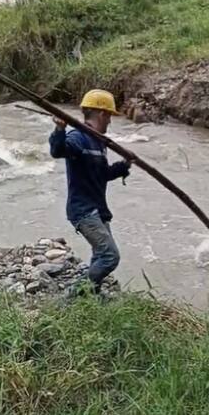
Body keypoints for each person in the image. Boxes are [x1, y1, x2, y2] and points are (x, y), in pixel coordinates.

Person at [49, 89, 131, 294]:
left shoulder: (99, 142)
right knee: (110, 256)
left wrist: (124, 165)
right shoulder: (78, 137)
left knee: (99, 255)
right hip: (83, 210)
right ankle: (75, 294)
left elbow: (102, 174)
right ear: (102, 114)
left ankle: (92, 294)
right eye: (109, 116)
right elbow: (58, 151)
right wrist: (59, 130)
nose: (110, 121)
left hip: (97, 209)